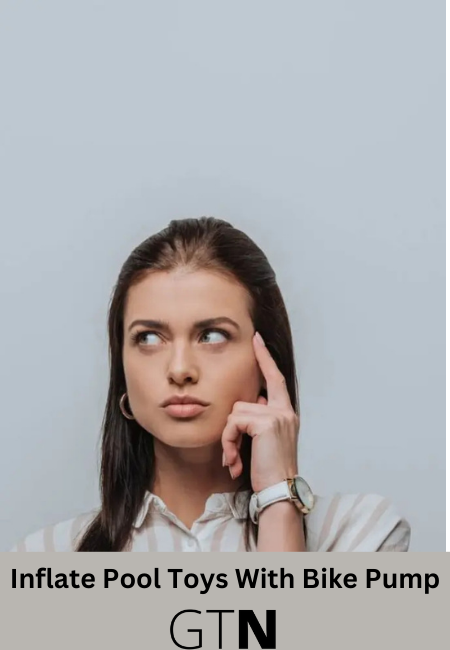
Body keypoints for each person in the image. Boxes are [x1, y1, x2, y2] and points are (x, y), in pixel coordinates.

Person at [9, 216, 411, 552]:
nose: (180, 369)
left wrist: (277, 498)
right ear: (123, 370)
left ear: (266, 358)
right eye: (148, 338)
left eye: (212, 335)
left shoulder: (361, 534)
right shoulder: (44, 557)